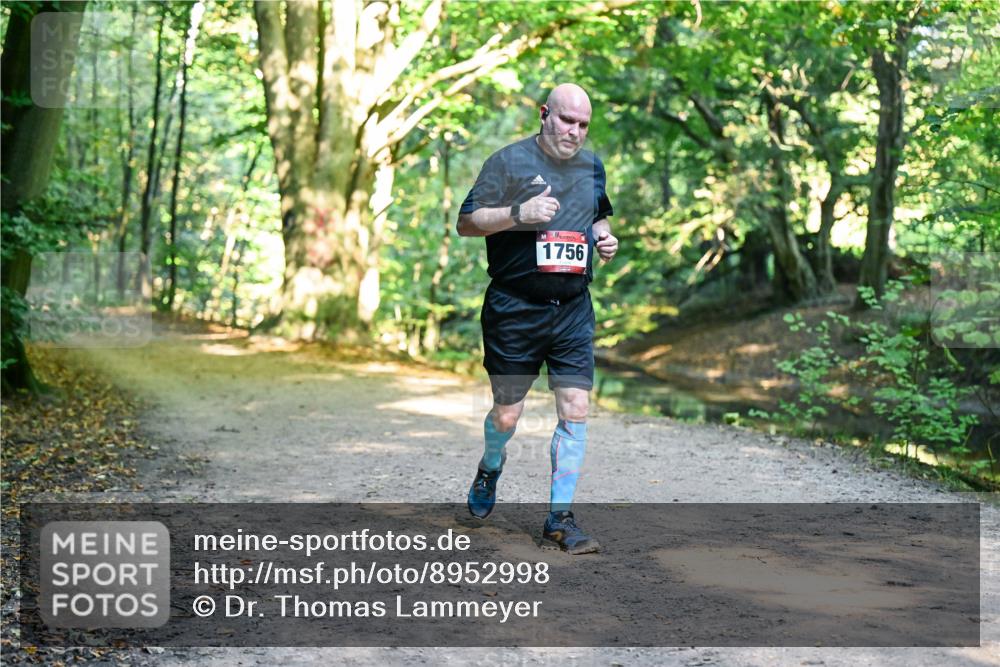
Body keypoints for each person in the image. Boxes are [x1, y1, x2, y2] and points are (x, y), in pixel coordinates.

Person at [456, 83, 618, 555]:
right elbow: (467, 222)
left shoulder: (593, 167)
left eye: (584, 124)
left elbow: (599, 216)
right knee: (507, 415)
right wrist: (517, 213)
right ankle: (490, 465)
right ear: (545, 114)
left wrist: (605, 240)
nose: (575, 131)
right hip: (514, 308)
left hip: (571, 307)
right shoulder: (506, 162)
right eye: (568, 120)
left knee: (576, 408)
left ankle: (559, 519)